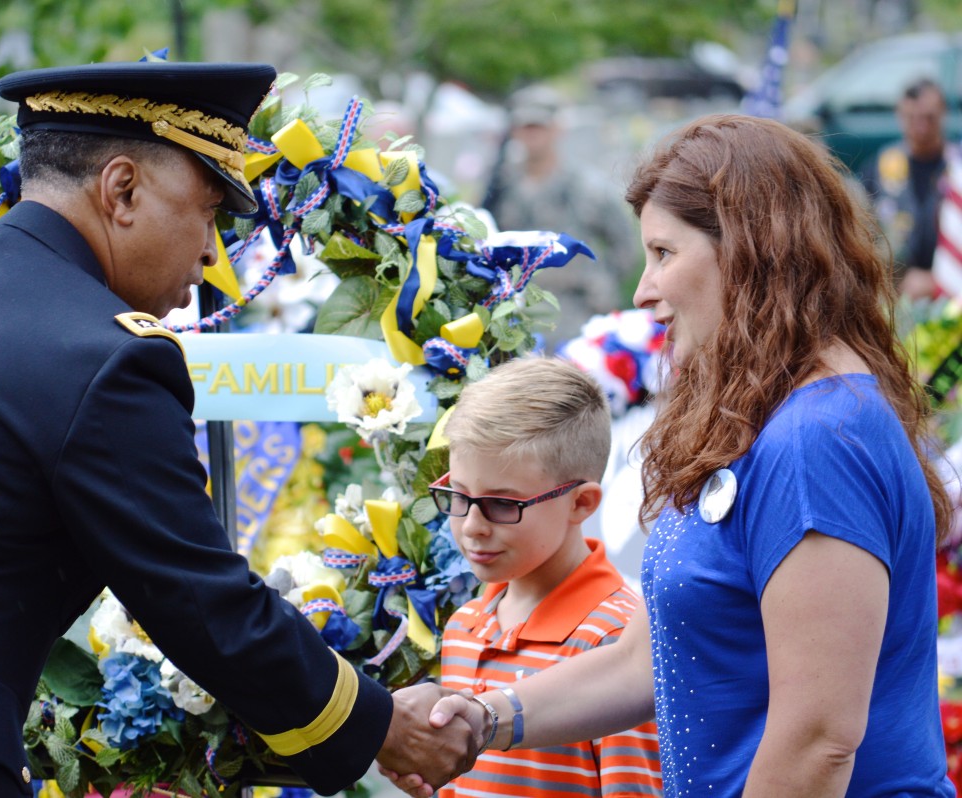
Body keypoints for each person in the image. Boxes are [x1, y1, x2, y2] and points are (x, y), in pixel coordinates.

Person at [0, 59, 477, 797]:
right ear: (122, 189)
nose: (210, 254)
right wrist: (386, 726)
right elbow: (201, 599)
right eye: (207, 212)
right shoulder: (103, 357)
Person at [387, 113, 955, 797]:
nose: (642, 290)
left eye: (664, 254)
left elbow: (818, 740)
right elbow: (653, 658)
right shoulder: (769, 417)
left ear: (752, 251)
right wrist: (486, 718)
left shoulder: (820, 438)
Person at [430, 355, 663, 797]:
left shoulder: (614, 639)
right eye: (457, 496)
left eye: (502, 504)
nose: (472, 525)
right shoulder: (465, 627)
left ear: (581, 503)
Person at [482, 84, 639, 346]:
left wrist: (599, 284)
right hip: (515, 317)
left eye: (539, 126)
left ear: (557, 129)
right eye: (525, 126)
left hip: (576, 316)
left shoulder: (587, 187)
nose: (532, 134)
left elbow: (625, 246)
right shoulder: (500, 188)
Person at [861, 78, 958, 300]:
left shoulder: (958, 167)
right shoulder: (879, 167)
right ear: (899, 115)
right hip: (895, 293)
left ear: (943, 113)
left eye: (929, 118)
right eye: (911, 118)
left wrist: (936, 281)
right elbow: (863, 234)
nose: (920, 126)